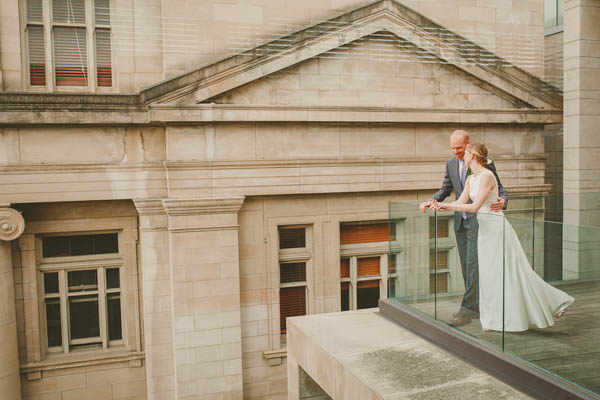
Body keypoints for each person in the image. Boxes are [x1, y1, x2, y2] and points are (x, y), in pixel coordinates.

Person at [431, 143, 573, 331]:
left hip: (497, 230)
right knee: (489, 276)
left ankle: (555, 302)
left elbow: (474, 207)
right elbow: (459, 202)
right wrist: (439, 205)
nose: (462, 157)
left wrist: (448, 207)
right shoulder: (471, 179)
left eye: (465, 153)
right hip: (484, 232)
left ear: (473, 155)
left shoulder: (487, 176)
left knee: (514, 273)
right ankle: (493, 320)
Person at [419, 130, 508, 327]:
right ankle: (476, 306)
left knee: (474, 267)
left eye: (459, 148)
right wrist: (431, 202)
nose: (455, 152)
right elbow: (446, 190)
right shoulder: (451, 164)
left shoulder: (485, 165)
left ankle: (465, 311)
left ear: (468, 145)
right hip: (461, 222)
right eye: (452, 148)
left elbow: (499, 188)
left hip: (480, 223)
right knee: (468, 269)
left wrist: (503, 200)